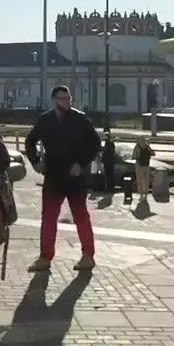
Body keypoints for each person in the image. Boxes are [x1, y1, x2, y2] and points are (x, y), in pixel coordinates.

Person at [24, 85, 102, 272]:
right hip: (53, 175)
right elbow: (30, 141)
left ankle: (88, 256)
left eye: (68, 99)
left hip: (75, 177)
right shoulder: (46, 120)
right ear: (54, 100)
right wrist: (35, 162)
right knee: (49, 217)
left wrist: (81, 163)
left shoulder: (80, 119)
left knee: (81, 216)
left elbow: (95, 144)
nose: (67, 102)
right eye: (62, 99)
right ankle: (45, 257)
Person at [134, 136, 155, 201]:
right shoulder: (147, 146)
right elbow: (153, 153)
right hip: (146, 165)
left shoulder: (137, 147)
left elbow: (134, 156)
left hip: (139, 166)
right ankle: (145, 195)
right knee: (146, 181)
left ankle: (141, 195)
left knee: (140, 181)